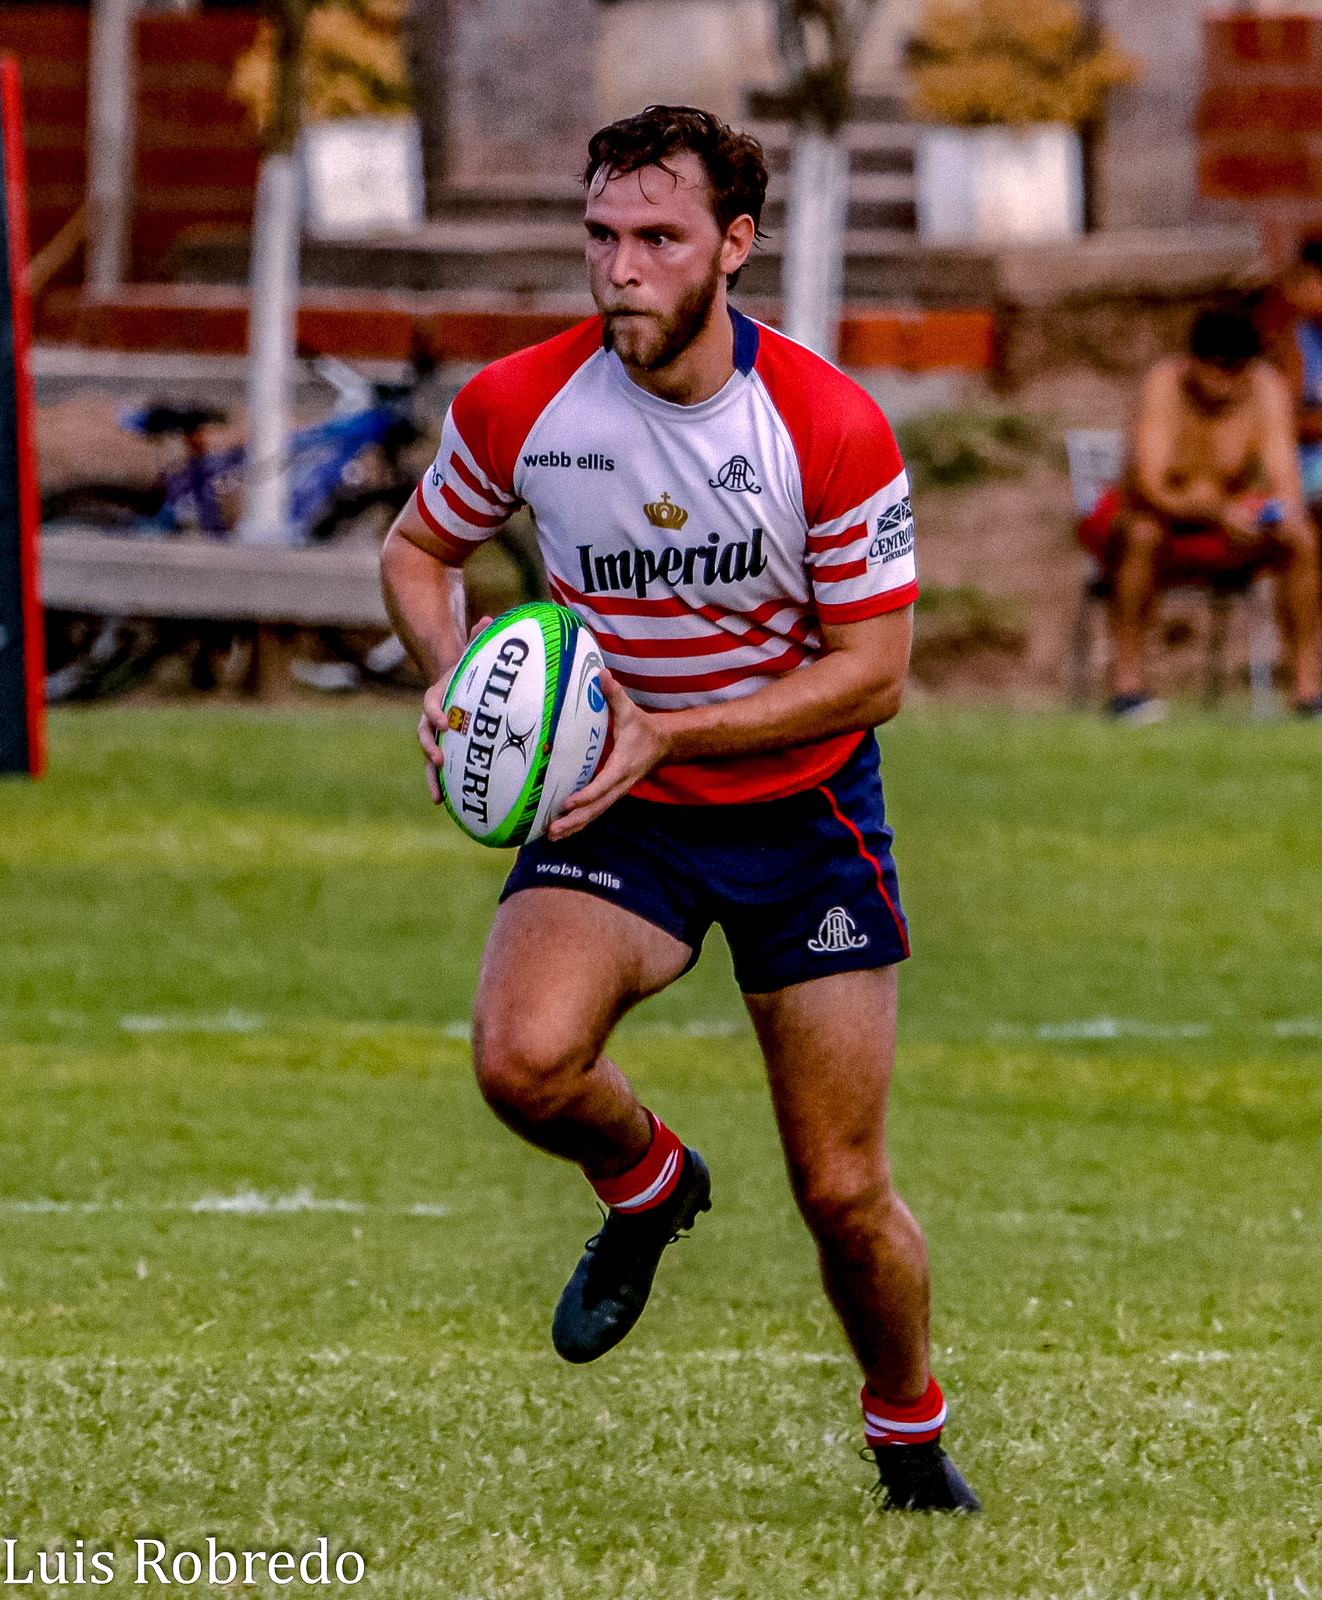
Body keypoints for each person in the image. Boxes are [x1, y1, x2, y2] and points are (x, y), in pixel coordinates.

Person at [380, 105, 978, 1513]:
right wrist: (458, 679)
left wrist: (675, 731)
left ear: (733, 244)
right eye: (600, 237)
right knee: (522, 1062)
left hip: (800, 819)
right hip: (613, 805)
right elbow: (417, 550)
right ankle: (646, 1185)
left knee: (839, 1193)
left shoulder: (823, 425)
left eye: (657, 238)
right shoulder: (521, 404)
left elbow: (872, 676)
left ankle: (906, 1431)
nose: (620, 269)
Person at [1091, 305, 1321, 720]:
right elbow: (1151, 485)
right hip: (1161, 524)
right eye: (1216, 370)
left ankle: (1308, 692)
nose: (1224, 385)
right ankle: (1127, 687)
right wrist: (1216, 511)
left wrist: (1270, 516)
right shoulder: (1163, 385)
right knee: (1141, 535)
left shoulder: (1265, 390)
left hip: (1229, 530)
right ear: (1193, 361)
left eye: (1236, 372)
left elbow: (1285, 480)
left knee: (1301, 538)